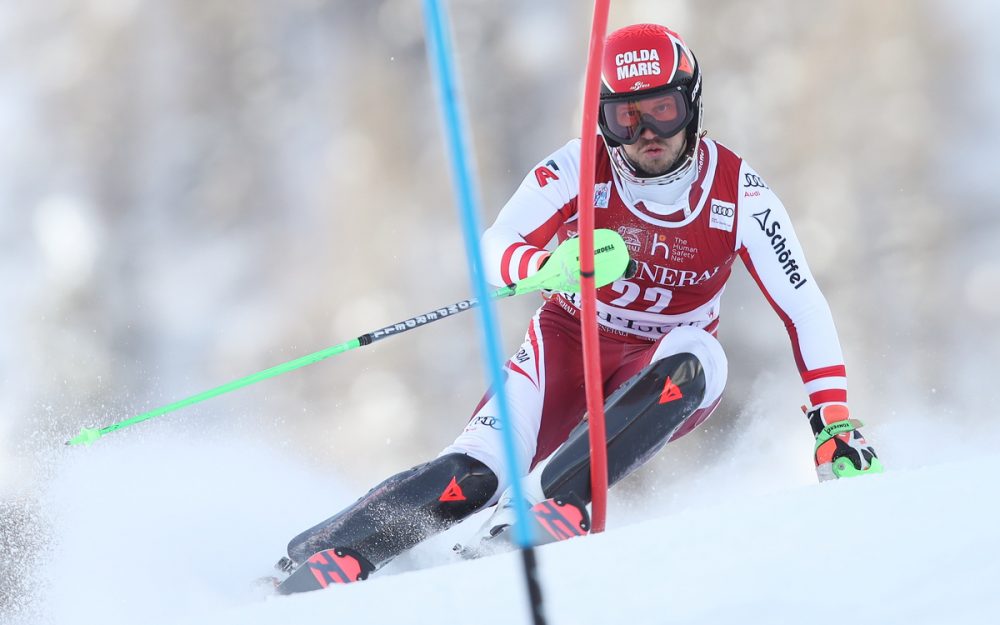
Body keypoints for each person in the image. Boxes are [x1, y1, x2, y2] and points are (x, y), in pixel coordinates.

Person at [277, 22, 882, 581]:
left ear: (692, 106)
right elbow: (494, 249)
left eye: (662, 112)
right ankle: (327, 552)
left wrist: (832, 420)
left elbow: (801, 302)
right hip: (567, 344)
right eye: (625, 118)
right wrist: (546, 266)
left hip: (663, 359)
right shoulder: (577, 168)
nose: (645, 134)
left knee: (702, 361)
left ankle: (549, 503)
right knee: (473, 475)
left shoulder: (738, 192)